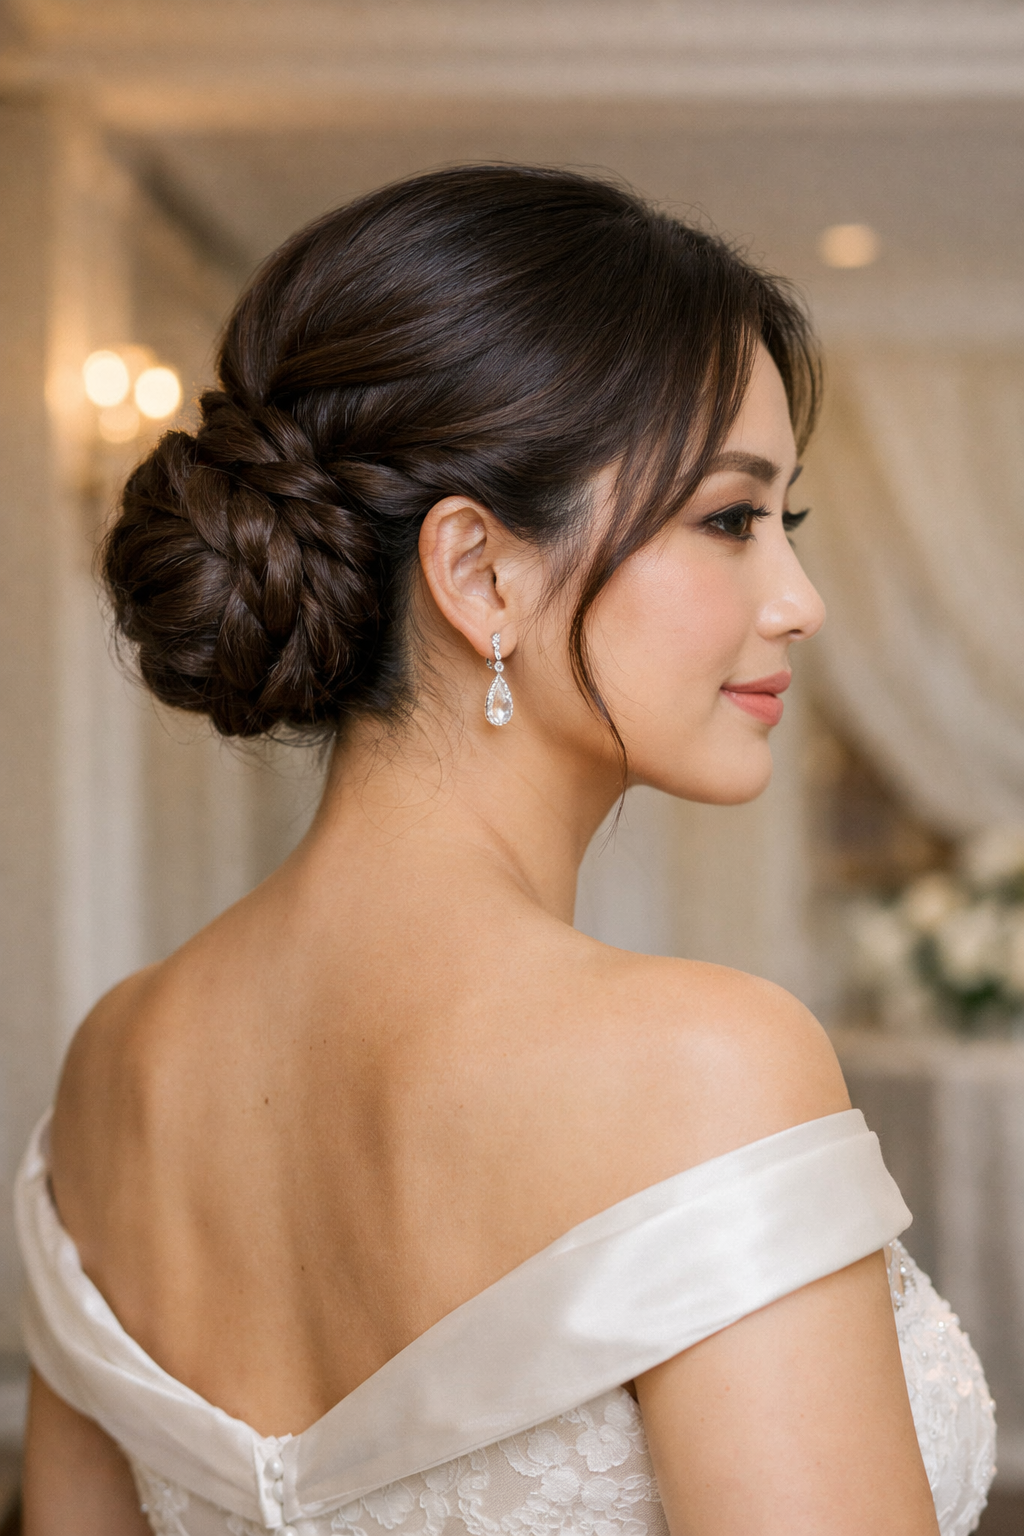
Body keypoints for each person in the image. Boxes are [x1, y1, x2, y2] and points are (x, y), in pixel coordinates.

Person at [17, 166, 994, 1536]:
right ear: (479, 572)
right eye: (730, 518)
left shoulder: (116, 1065)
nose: (799, 600)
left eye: (793, 524)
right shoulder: (704, 1068)